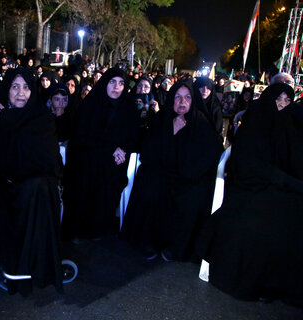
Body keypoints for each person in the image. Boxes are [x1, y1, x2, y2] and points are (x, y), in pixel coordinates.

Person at [197, 83, 303, 302]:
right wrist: (288, 182)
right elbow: (251, 165)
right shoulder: (257, 118)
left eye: (287, 100)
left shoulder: (288, 125)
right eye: (278, 98)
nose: (282, 104)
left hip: (274, 187)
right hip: (249, 186)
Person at [0, 67, 63, 296]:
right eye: (15, 86)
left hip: (37, 182)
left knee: (34, 189)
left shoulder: (42, 119)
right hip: (7, 181)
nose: (20, 93)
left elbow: (42, 159)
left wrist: (8, 120)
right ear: (7, 90)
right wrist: (4, 122)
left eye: (26, 87)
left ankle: (29, 267)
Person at [121, 82, 222, 262]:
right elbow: (149, 150)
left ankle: (177, 248)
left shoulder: (200, 122)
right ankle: (147, 242)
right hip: (161, 171)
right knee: (149, 187)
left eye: (187, 97)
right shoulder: (162, 119)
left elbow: (208, 156)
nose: (182, 101)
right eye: (177, 97)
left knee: (193, 196)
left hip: (189, 176)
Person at [62, 68, 140, 241]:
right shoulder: (90, 104)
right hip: (88, 155)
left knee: (111, 174)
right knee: (89, 172)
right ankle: (81, 226)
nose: (116, 87)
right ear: (105, 83)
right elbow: (83, 136)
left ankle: (98, 226)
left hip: (115, 161)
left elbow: (134, 136)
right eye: (112, 82)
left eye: (121, 83)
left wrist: (123, 150)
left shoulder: (128, 107)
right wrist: (111, 148)